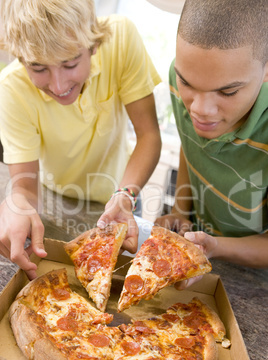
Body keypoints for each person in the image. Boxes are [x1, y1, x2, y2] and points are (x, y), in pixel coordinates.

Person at [0, 0, 162, 280]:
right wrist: (16, 204)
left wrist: (125, 195)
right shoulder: (10, 88)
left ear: (93, 45)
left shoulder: (121, 38)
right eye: (38, 69)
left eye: (71, 64)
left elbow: (148, 135)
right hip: (55, 198)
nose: (59, 85)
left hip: (124, 189)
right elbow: (25, 187)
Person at [156, 0, 268, 280]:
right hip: (198, 250)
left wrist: (215, 247)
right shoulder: (180, 74)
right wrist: (180, 211)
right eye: (187, 84)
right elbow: (189, 144)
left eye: (227, 92)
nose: (199, 110)